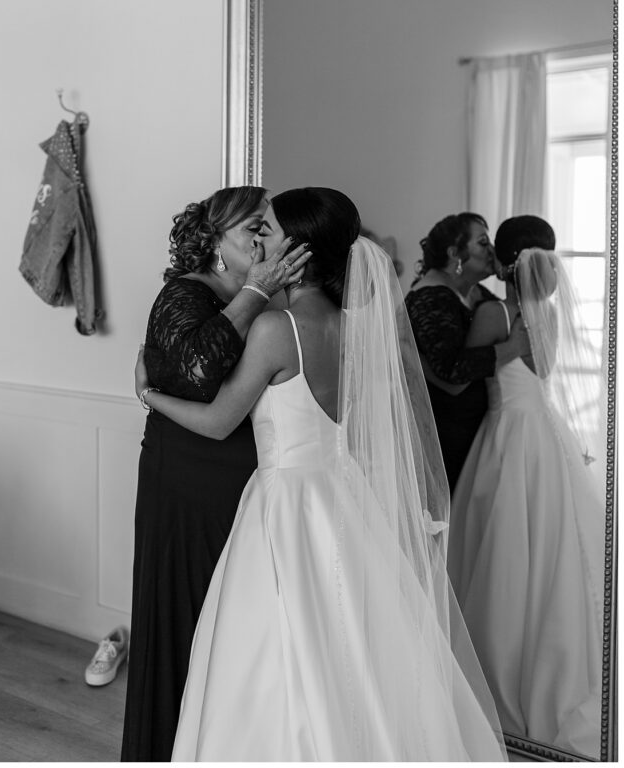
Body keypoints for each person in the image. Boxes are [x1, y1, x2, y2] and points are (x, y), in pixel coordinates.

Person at [135, 187, 506, 761]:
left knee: (279, 650)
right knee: (352, 644)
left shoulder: (274, 328)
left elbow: (216, 422)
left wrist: (150, 393)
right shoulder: (355, 325)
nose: (262, 239)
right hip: (340, 495)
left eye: (272, 230)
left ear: (300, 252)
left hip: (284, 501)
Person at [121, 185, 311, 761]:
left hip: (247, 477)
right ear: (213, 243)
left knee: (241, 626)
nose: (263, 239)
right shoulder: (184, 293)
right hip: (186, 478)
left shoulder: (271, 305)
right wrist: (255, 291)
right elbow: (200, 373)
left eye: (267, 227)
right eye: (251, 228)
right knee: (190, 612)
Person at [448, 216, 605, 757]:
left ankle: (494, 676)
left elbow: (462, 372)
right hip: (541, 430)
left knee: (503, 552)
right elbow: (541, 368)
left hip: (505, 434)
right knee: (547, 550)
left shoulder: (492, 311)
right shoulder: (549, 312)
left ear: (506, 261)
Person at [405, 212, 530, 492]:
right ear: (455, 253)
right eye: (483, 243)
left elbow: (509, 322)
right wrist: (511, 348)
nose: (492, 251)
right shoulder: (431, 298)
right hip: (446, 432)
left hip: (476, 426)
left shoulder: (476, 293)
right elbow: (452, 373)